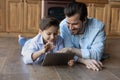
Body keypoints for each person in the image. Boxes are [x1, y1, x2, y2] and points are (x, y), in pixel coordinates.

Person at [58, 2, 106, 71]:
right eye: (68, 23)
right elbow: (68, 54)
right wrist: (84, 61)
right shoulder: (63, 26)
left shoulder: (98, 27)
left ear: (84, 20)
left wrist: (71, 49)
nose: (70, 28)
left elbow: (97, 55)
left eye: (75, 24)